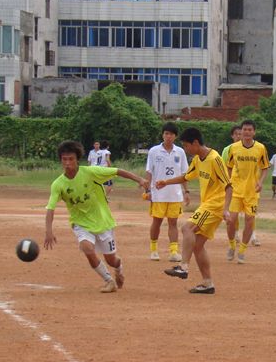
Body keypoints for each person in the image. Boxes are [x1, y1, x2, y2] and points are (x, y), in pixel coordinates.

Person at [44, 140, 148, 293]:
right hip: (81, 223)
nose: (67, 163)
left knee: (112, 260)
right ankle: (109, 281)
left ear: (77, 160)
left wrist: (139, 179)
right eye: (64, 159)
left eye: (71, 159)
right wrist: (48, 231)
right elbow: (50, 208)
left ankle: (118, 269)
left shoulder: (90, 172)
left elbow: (117, 171)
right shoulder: (58, 184)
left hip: (102, 222)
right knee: (88, 249)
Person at [157, 127, 233, 294]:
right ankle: (207, 284)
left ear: (196, 142)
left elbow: (229, 186)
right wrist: (166, 182)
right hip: (208, 204)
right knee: (197, 246)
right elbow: (186, 176)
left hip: (215, 204)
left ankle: (183, 267)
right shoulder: (198, 159)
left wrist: (226, 209)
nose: (186, 149)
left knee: (187, 228)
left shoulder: (215, 159)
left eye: (186, 145)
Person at [225, 119, 270, 264]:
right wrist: (228, 184)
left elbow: (265, 167)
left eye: (250, 130)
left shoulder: (260, 148)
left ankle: (242, 250)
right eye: (244, 129)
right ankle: (232, 245)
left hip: (252, 191)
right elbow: (229, 167)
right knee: (231, 220)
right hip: (236, 190)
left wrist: (261, 181)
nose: (247, 132)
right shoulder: (234, 148)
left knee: (249, 221)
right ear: (241, 131)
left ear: (254, 132)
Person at [144, 123, 190, 262]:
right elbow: (149, 171)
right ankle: (154, 250)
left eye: (171, 134)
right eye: (166, 134)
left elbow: (184, 174)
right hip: (158, 194)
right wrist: (148, 190)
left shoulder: (180, 152)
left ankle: (173, 252)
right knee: (157, 222)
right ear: (162, 135)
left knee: (173, 223)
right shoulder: (154, 151)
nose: (168, 136)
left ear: (175, 136)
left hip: (175, 194)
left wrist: (186, 191)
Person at [222, 125, 260, 246]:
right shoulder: (228, 149)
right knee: (234, 214)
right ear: (232, 136)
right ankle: (236, 235)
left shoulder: (256, 148)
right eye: (237, 134)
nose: (239, 136)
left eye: (240, 133)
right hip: (235, 187)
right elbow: (225, 167)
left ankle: (253, 236)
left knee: (250, 216)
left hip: (250, 188)